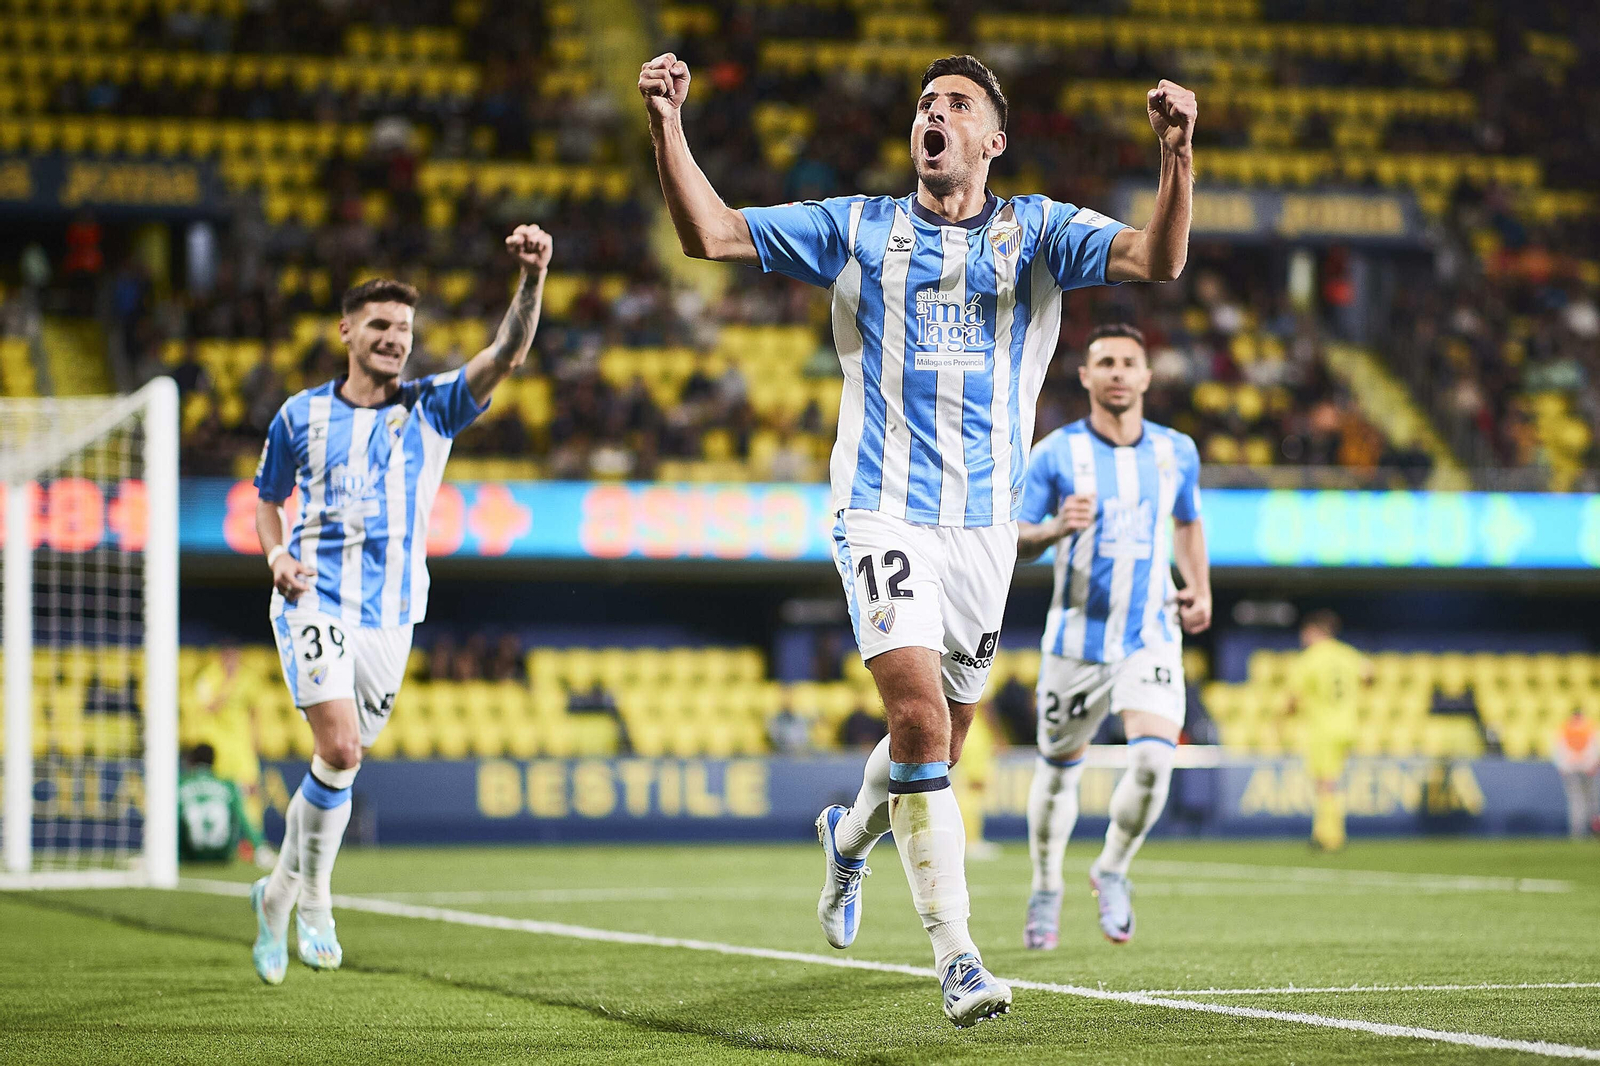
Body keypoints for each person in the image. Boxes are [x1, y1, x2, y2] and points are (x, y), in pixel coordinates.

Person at [640, 50, 1196, 1025]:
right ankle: (958, 957)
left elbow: (1158, 260)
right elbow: (711, 234)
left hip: (985, 527)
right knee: (920, 722)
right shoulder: (857, 226)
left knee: (939, 737)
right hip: (880, 507)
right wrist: (666, 123)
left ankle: (848, 837)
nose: (934, 112)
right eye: (926, 102)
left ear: (992, 140)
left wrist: (1176, 154)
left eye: (958, 103)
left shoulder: (1039, 232)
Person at [248, 224, 553, 985]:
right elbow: (267, 498)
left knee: (336, 765)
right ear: (347, 331)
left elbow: (508, 353)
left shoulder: (432, 408)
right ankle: (315, 900)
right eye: (379, 324)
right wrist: (278, 555)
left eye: (404, 329)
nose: (393, 339)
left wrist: (532, 278)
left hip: (391, 615)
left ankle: (276, 891)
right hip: (314, 598)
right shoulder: (299, 416)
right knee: (341, 749)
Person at [1016, 324, 1211, 950]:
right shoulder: (1055, 454)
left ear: (1147, 376)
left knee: (1154, 759)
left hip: (1150, 632)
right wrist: (1052, 530)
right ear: (1086, 376)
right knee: (1057, 775)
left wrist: (1199, 586)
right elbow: (1011, 538)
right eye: (1105, 363)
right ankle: (1046, 885)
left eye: (1129, 362)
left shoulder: (1176, 451)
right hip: (1074, 642)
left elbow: (1188, 522)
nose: (1118, 372)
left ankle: (1113, 869)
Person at [1283, 610, 1371, 852]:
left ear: (1315, 631)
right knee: (1332, 781)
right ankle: (1326, 831)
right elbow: (1369, 673)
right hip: (1349, 726)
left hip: (1324, 728)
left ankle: (1329, 835)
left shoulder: (1309, 658)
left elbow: (1292, 697)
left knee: (1324, 782)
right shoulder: (1347, 653)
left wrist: (1284, 716)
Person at [191, 644, 266, 856]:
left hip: (242, 745)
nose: (233, 661)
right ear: (221, 656)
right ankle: (221, 841)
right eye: (228, 656)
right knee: (220, 793)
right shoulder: (207, 677)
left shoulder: (249, 678)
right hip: (218, 745)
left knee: (251, 792)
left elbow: (254, 710)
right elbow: (209, 707)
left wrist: (256, 738)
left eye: (236, 656)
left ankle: (253, 844)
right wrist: (228, 683)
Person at [178, 744, 268, 864]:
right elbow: (244, 819)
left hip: (189, 856)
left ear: (192, 761)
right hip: (222, 856)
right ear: (214, 761)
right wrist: (260, 847)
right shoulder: (228, 785)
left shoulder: (180, 783)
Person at [1554, 708, 1599, 839]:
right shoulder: (1586, 729)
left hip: (1580, 769)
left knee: (1585, 800)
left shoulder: (1567, 730)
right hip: (1580, 769)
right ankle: (1582, 830)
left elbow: (1559, 751)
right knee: (1581, 800)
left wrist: (1564, 766)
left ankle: (1585, 830)